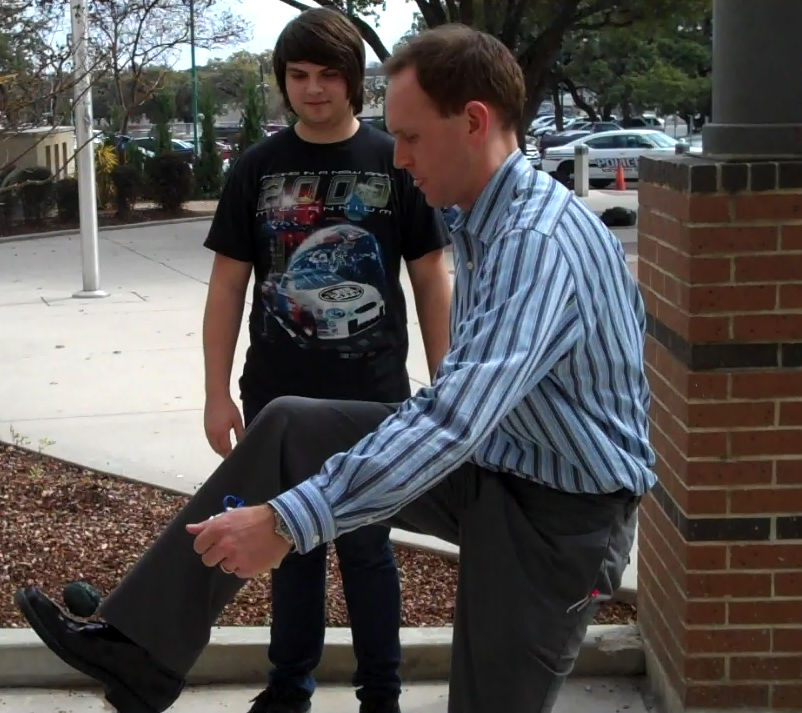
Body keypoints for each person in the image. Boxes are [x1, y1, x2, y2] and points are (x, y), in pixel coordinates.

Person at [14, 22, 656, 713]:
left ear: (474, 121)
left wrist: (291, 521)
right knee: (288, 425)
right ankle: (139, 648)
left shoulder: (537, 241)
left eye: (411, 136)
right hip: (497, 468)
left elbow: (455, 416)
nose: (400, 158)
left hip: (561, 520)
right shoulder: (486, 220)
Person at [204, 9, 452, 713]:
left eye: (329, 74)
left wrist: (448, 381)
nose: (314, 89)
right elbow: (227, 286)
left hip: (372, 396)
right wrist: (216, 392)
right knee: (290, 547)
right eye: (299, 75)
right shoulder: (256, 167)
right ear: (285, 82)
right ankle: (289, 689)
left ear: (353, 79)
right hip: (278, 400)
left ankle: (382, 692)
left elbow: (431, 274)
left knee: (368, 548)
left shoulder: (392, 159)